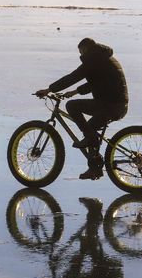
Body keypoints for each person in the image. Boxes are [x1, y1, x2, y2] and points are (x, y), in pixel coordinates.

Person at [35, 38, 128, 180]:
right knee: (90, 129)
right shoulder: (103, 58)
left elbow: (74, 76)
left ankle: (92, 141)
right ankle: (94, 169)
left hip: (109, 105)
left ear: (85, 49)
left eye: (80, 52)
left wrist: (49, 89)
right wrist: (74, 92)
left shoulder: (93, 59)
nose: (81, 56)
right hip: (118, 105)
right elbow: (97, 82)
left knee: (72, 106)